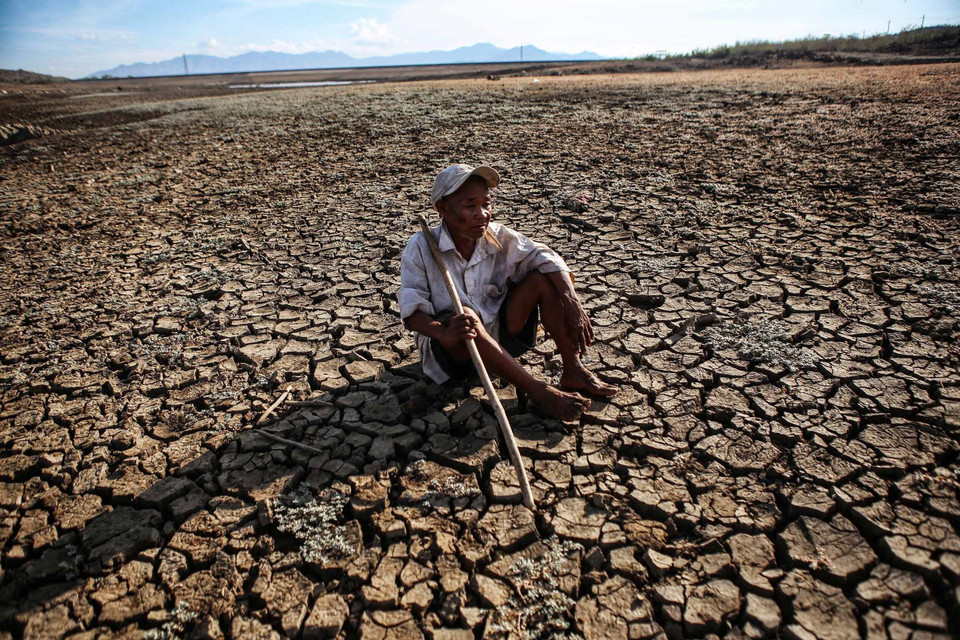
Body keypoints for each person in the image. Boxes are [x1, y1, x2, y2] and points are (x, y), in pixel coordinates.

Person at [398, 164, 617, 421]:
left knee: (544, 280)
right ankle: (539, 392)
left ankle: (573, 368)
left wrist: (572, 302)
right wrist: (441, 332)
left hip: (500, 336)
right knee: (466, 314)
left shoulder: (498, 236)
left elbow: (545, 256)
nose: (482, 214)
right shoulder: (422, 247)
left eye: (486, 204)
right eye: (470, 206)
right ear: (443, 209)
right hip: (455, 352)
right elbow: (412, 309)